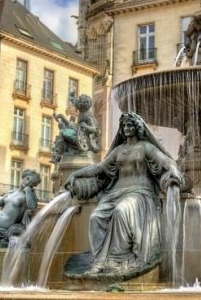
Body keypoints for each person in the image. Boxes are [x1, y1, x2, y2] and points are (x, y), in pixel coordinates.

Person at [63, 112, 184, 279]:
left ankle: (118, 259)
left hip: (140, 192)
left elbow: (166, 161)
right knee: (96, 217)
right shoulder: (119, 150)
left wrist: (174, 171)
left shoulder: (146, 147)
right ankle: (100, 261)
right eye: (124, 126)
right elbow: (98, 168)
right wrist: (75, 175)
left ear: (137, 127)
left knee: (121, 211)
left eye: (130, 125)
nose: (126, 129)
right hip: (116, 193)